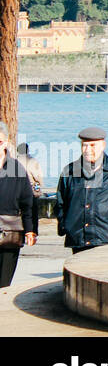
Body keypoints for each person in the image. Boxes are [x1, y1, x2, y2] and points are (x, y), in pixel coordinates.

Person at [55, 126, 108, 254]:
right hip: (79, 240)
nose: (87, 150)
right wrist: (66, 226)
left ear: (103, 145)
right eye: (84, 145)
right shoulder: (70, 171)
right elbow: (60, 203)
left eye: (92, 146)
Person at [0, 122, 37, 290]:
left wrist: (30, 230)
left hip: (9, 234)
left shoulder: (17, 168)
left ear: (6, 142)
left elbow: (28, 202)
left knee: (4, 283)